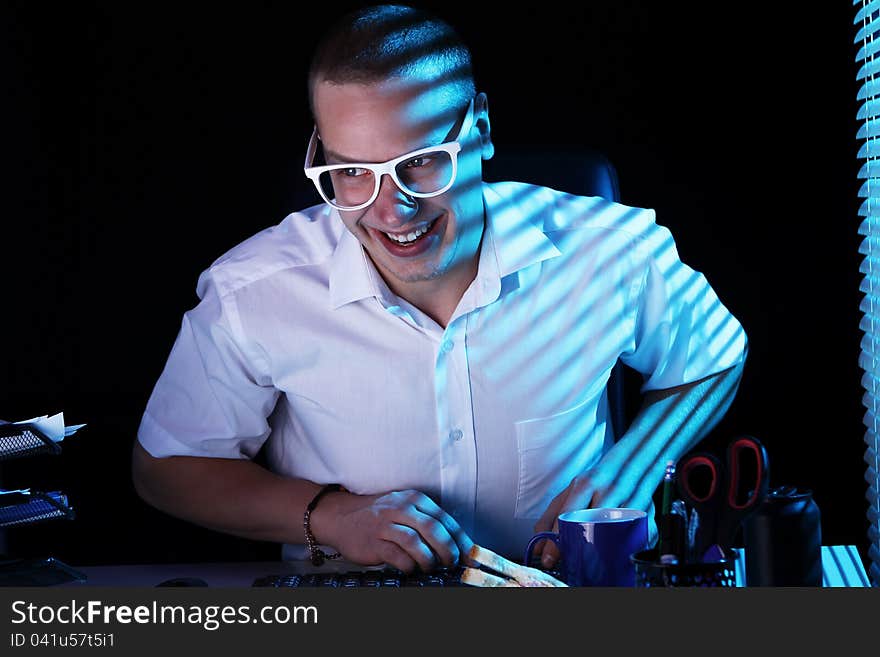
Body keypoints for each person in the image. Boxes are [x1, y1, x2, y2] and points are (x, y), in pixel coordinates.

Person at [132, 4, 747, 573]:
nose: (391, 210)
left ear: (479, 128)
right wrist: (332, 515)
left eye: (419, 162)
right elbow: (165, 468)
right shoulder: (254, 291)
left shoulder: (607, 250)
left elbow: (715, 354)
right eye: (352, 173)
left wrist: (630, 471)